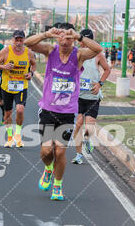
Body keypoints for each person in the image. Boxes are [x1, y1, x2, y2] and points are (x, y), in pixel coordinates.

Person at [24, 23, 103, 201]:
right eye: (62, 37)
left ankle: (58, 185)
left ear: (73, 39)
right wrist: (46, 34)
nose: (65, 40)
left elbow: (97, 49)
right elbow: (28, 44)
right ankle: (48, 169)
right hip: (48, 109)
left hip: (67, 112)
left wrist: (79, 36)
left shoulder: (79, 55)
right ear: (57, 37)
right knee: (46, 152)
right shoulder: (50, 50)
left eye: (68, 37)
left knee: (60, 151)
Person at [72, 29, 111, 165]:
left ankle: (87, 140)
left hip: (93, 97)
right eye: (82, 42)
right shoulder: (76, 53)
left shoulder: (98, 55)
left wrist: (100, 84)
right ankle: (78, 154)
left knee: (89, 128)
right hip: (79, 96)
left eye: (87, 41)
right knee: (78, 124)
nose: (85, 45)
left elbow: (107, 69)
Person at [0, 30, 35, 148]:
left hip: (21, 86)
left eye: (21, 40)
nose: (19, 42)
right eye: (17, 39)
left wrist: (31, 73)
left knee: (20, 109)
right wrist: (3, 66)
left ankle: (18, 135)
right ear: (13, 40)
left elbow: (34, 63)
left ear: (24, 40)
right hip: (7, 87)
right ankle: (10, 138)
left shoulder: (28, 52)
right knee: (8, 113)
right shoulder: (6, 51)